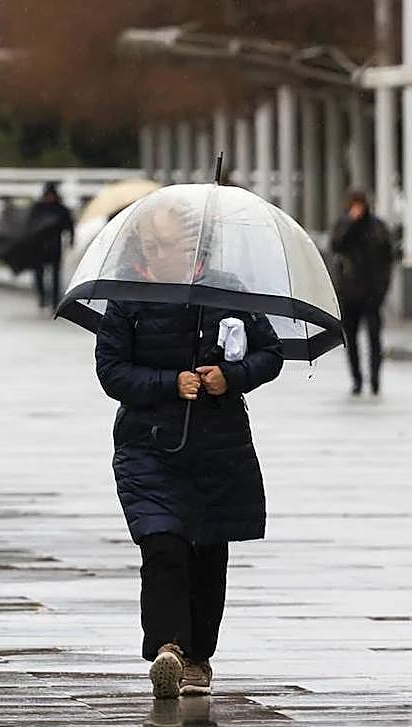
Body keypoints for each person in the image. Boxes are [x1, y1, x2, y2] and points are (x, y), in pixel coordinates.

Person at [94, 202, 284, 699]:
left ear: (196, 246)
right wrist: (168, 382)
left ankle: (199, 657)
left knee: (208, 554)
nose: (159, 254)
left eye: (170, 245)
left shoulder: (227, 291)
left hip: (218, 449)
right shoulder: (127, 297)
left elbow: (270, 354)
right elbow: (111, 372)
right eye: (151, 245)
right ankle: (168, 648)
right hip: (148, 447)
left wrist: (230, 377)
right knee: (162, 546)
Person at [329, 189, 396, 396]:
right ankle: (357, 379)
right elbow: (336, 245)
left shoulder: (377, 227)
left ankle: (375, 378)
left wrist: (383, 287)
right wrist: (351, 223)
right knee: (351, 338)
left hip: (372, 292)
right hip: (349, 293)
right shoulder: (343, 225)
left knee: (374, 337)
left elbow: (388, 257)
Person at [26, 182, 74, 310]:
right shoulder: (38, 208)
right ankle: (42, 297)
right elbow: (30, 226)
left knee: (55, 274)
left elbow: (69, 226)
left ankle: (54, 301)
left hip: (54, 245)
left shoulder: (60, 209)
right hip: (39, 245)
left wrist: (71, 240)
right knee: (39, 273)